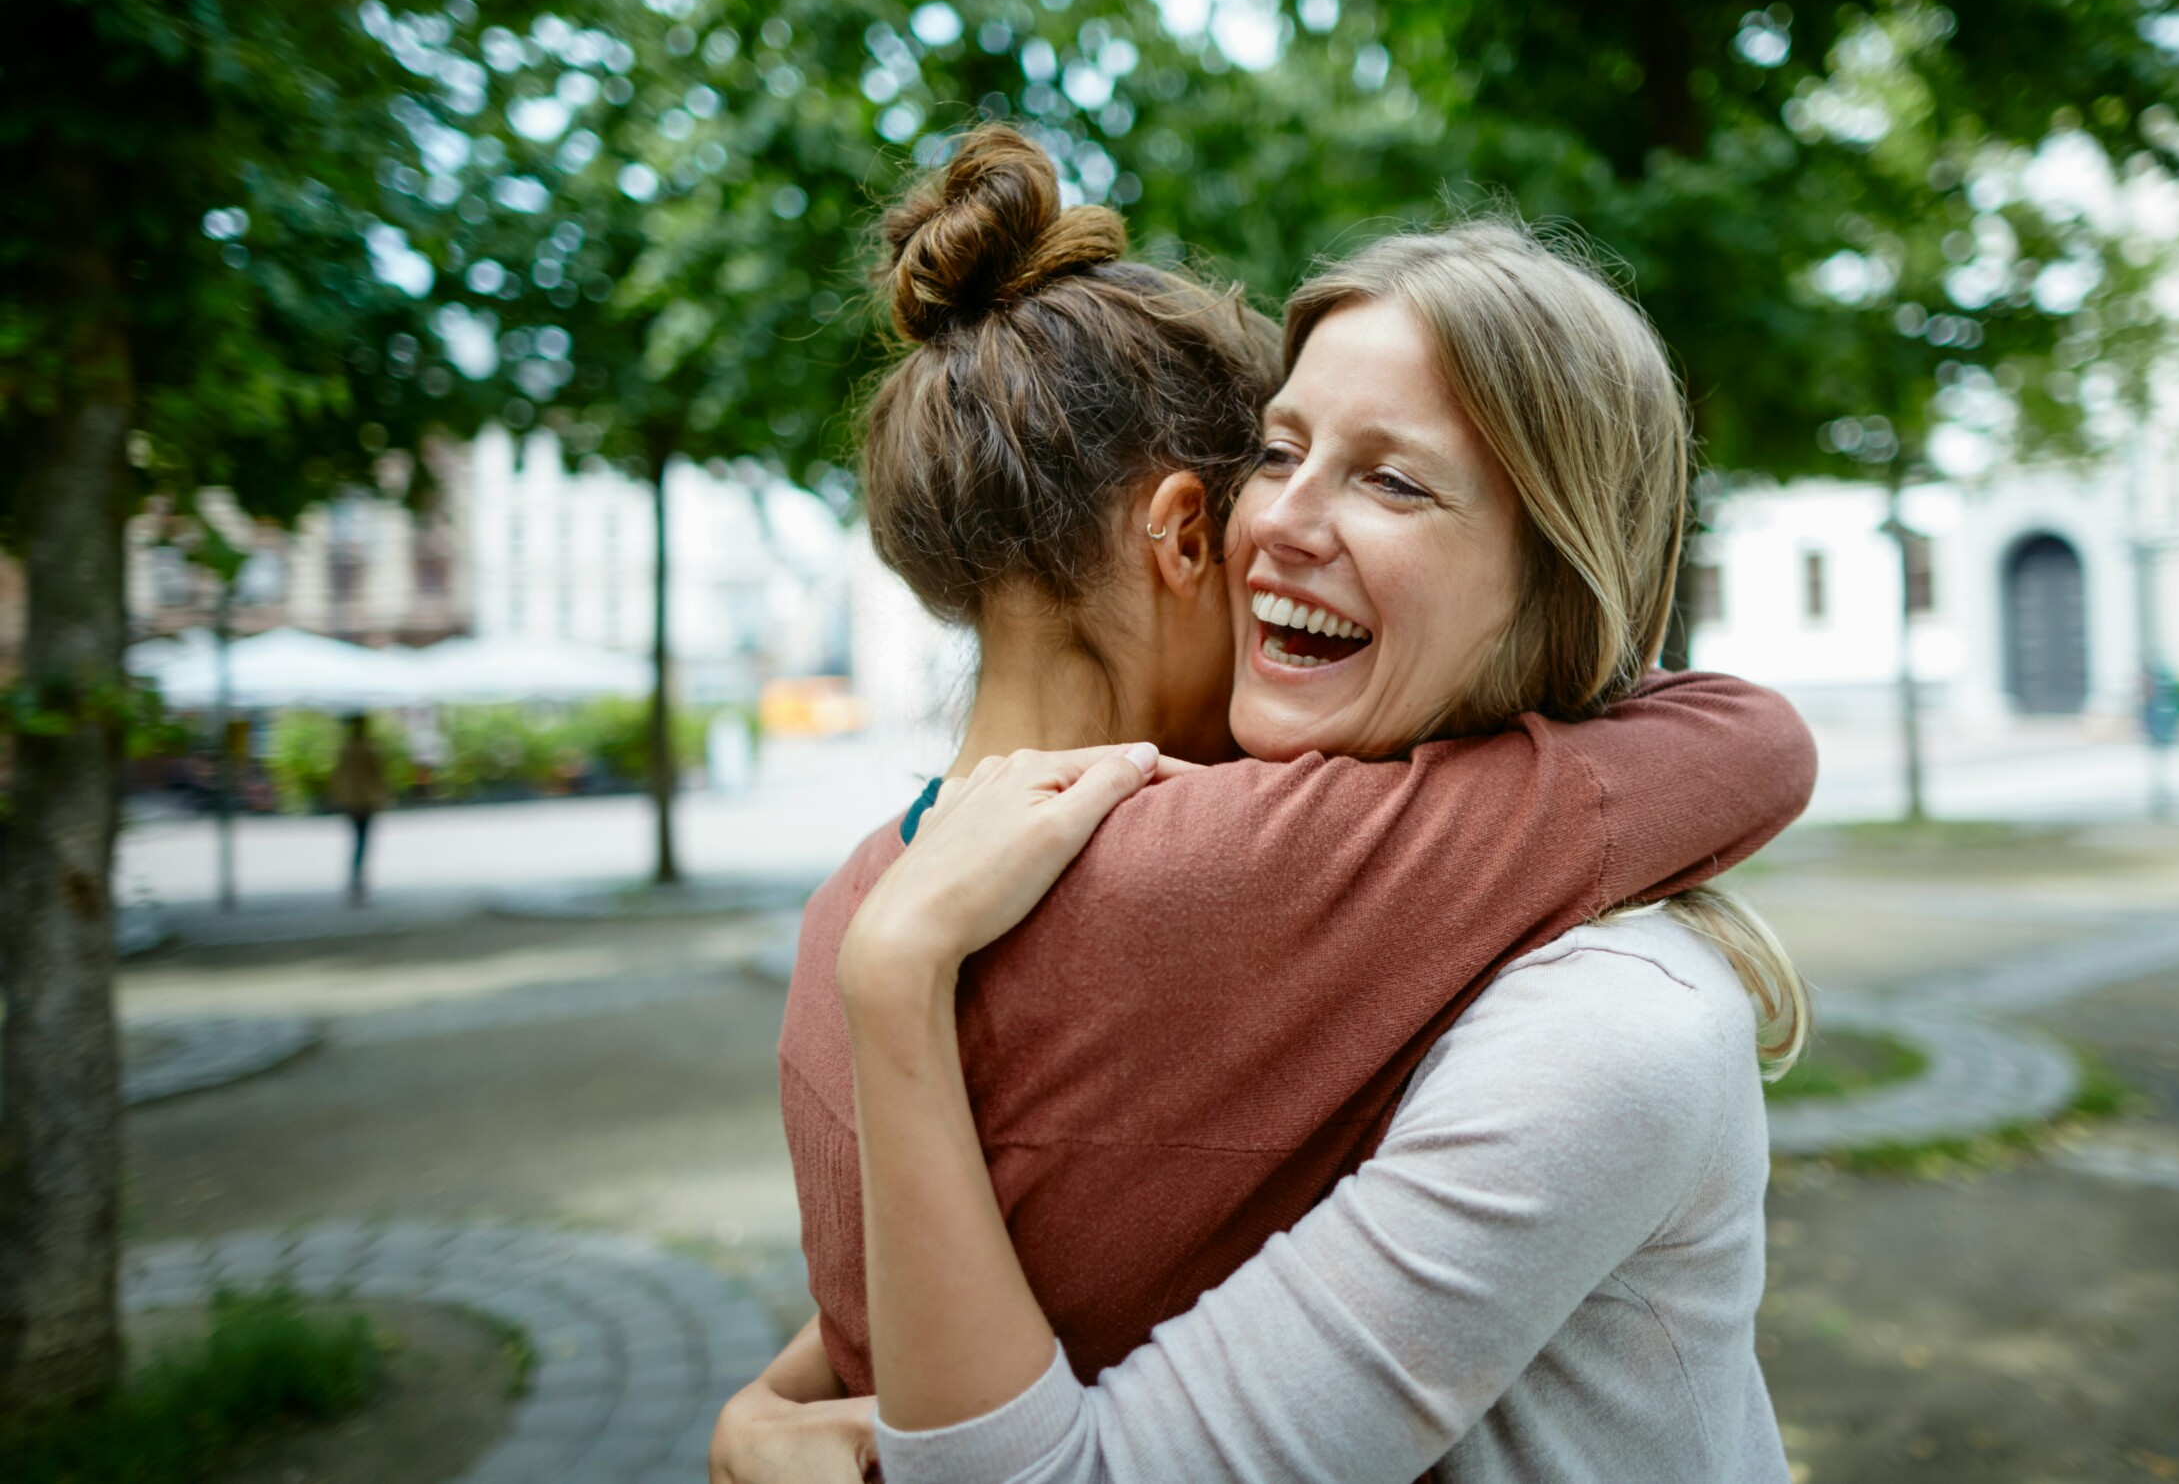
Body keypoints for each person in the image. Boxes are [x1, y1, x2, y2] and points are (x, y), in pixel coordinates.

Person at [710, 132, 1814, 1482]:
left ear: (1556, 569)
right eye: (1277, 453)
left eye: (1394, 478)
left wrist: (771, 1402)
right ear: (1188, 524)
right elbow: (1746, 740)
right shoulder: (1258, 869)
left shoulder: (1597, 1005)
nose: (1283, 519)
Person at [327, 713, 389, 905]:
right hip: (365, 798)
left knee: (357, 839)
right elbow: (377, 774)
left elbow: (339, 774)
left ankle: (356, 876)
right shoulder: (370, 747)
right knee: (363, 839)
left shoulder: (346, 748)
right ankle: (358, 877)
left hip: (351, 798)